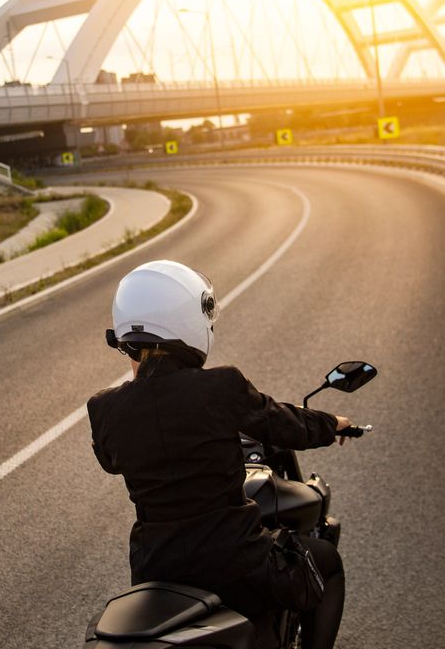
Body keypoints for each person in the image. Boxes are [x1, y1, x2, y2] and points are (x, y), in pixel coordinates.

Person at [87, 260, 352, 649]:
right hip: (235, 562)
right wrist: (334, 424)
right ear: (190, 320)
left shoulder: (104, 407)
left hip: (156, 568)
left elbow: (112, 462)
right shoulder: (220, 387)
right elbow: (283, 423)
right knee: (326, 562)